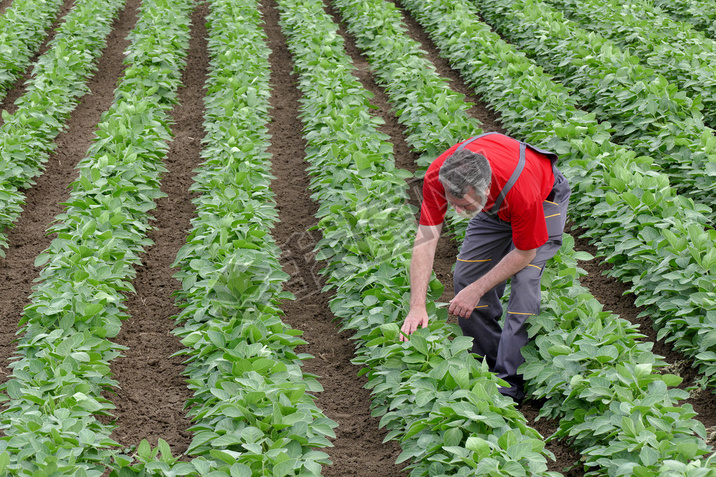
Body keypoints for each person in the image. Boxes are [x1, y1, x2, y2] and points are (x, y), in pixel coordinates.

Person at [399, 132, 570, 402]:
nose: (455, 212)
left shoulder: (520, 191)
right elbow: (425, 241)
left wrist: (478, 289)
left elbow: (525, 253)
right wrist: (417, 306)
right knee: (466, 277)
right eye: (451, 203)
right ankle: (484, 365)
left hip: (541, 199)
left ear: (484, 189)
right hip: (494, 208)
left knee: (524, 288)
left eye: (463, 205)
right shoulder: (439, 177)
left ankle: (508, 386)